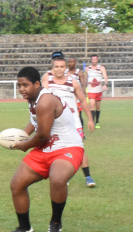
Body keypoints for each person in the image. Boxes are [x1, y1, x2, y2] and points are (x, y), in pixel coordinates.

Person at [3, 66, 85, 232]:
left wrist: (24, 145)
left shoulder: (45, 100)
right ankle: (25, 228)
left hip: (67, 147)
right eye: (19, 85)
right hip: (45, 149)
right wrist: (21, 135)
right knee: (17, 184)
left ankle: (55, 223)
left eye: (25, 85)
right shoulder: (33, 99)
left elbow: (42, 135)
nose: (21, 89)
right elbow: (35, 122)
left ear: (37, 84)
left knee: (57, 178)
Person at [42, 57, 96, 187]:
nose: (59, 69)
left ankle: (88, 177)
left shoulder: (73, 82)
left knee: (79, 148)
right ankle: (63, 177)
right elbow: (41, 101)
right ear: (52, 68)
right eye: (57, 67)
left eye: (62, 67)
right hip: (55, 123)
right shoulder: (47, 82)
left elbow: (82, 100)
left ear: (65, 68)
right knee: (57, 149)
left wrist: (89, 119)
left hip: (74, 123)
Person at [85, 54, 108, 129]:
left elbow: (105, 77)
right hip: (91, 90)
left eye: (95, 59)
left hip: (99, 91)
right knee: (92, 106)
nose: (94, 61)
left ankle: (97, 122)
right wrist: (84, 88)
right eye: (93, 60)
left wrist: (105, 84)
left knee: (98, 107)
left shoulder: (101, 68)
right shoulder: (87, 69)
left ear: (97, 60)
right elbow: (85, 79)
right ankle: (91, 121)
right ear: (91, 60)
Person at [66, 58, 87, 130]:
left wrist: (83, 91)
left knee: (78, 115)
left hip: (77, 97)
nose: (70, 63)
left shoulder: (78, 72)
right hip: (68, 97)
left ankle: (81, 131)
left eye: (72, 62)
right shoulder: (65, 72)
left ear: (75, 63)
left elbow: (83, 83)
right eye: (69, 62)